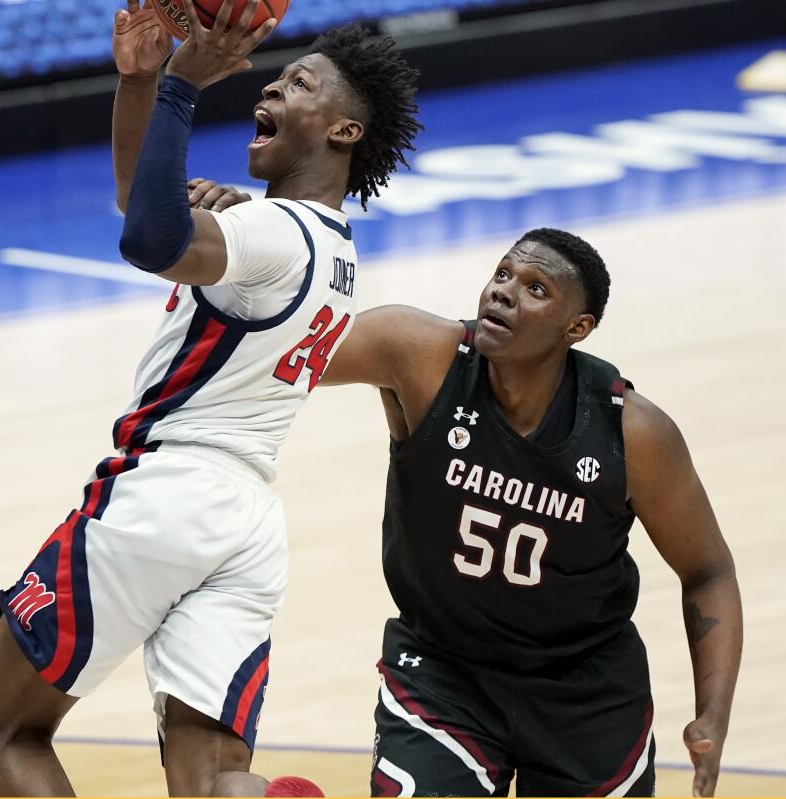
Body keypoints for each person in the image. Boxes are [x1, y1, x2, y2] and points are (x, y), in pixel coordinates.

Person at [0, 0, 422, 796]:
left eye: (303, 83)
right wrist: (139, 82)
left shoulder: (270, 232)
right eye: (278, 78)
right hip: (247, 525)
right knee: (213, 777)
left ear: (345, 130)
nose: (276, 85)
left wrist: (178, 85)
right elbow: (143, 204)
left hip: (164, 498)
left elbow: (148, 237)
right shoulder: (333, 250)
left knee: (5, 726)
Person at [196, 224, 742, 797]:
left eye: (536, 289)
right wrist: (243, 243)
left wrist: (713, 712)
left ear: (576, 328)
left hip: (587, 690)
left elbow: (708, 572)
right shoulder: (420, 354)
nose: (503, 291)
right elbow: (273, 354)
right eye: (503, 273)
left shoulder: (632, 431)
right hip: (441, 671)